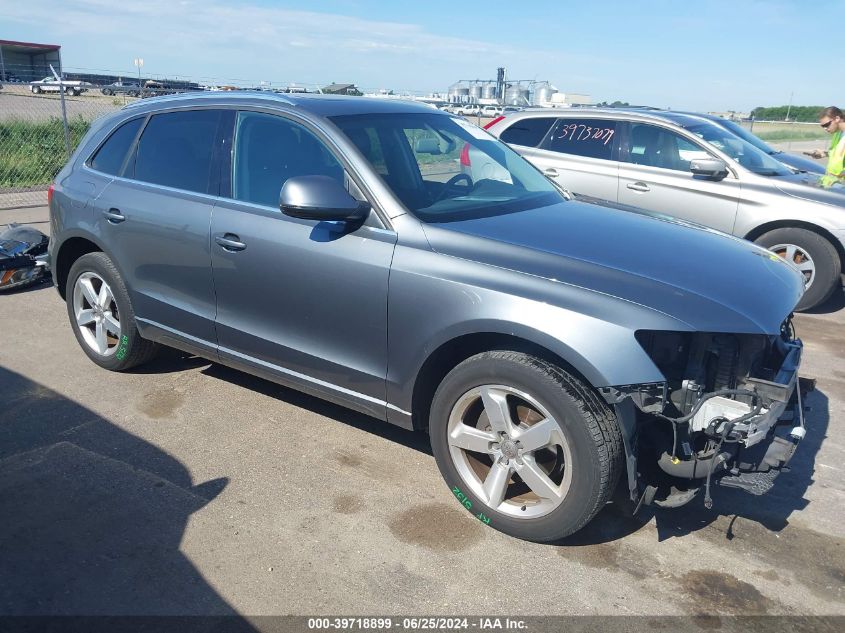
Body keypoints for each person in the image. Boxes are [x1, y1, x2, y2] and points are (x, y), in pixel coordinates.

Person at [804, 106, 845, 188]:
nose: (825, 128)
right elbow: (838, 154)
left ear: (837, 118)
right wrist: (823, 154)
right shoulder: (837, 134)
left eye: (827, 125)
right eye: (823, 126)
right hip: (832, 184)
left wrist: (839, 177)